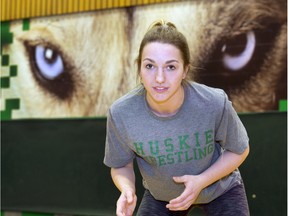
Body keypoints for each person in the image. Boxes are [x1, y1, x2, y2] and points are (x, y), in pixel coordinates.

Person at [104, 19, 250, 216]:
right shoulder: (121, 113)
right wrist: (127, 189)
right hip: (162, 196)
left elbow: (240, 149)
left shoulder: (214, 102)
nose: (159, 78)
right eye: (150, 66)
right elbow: (121, 165)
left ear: (185, 71)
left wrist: (202, 181)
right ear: (139, 68)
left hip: (219, 189)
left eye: (171, 67)